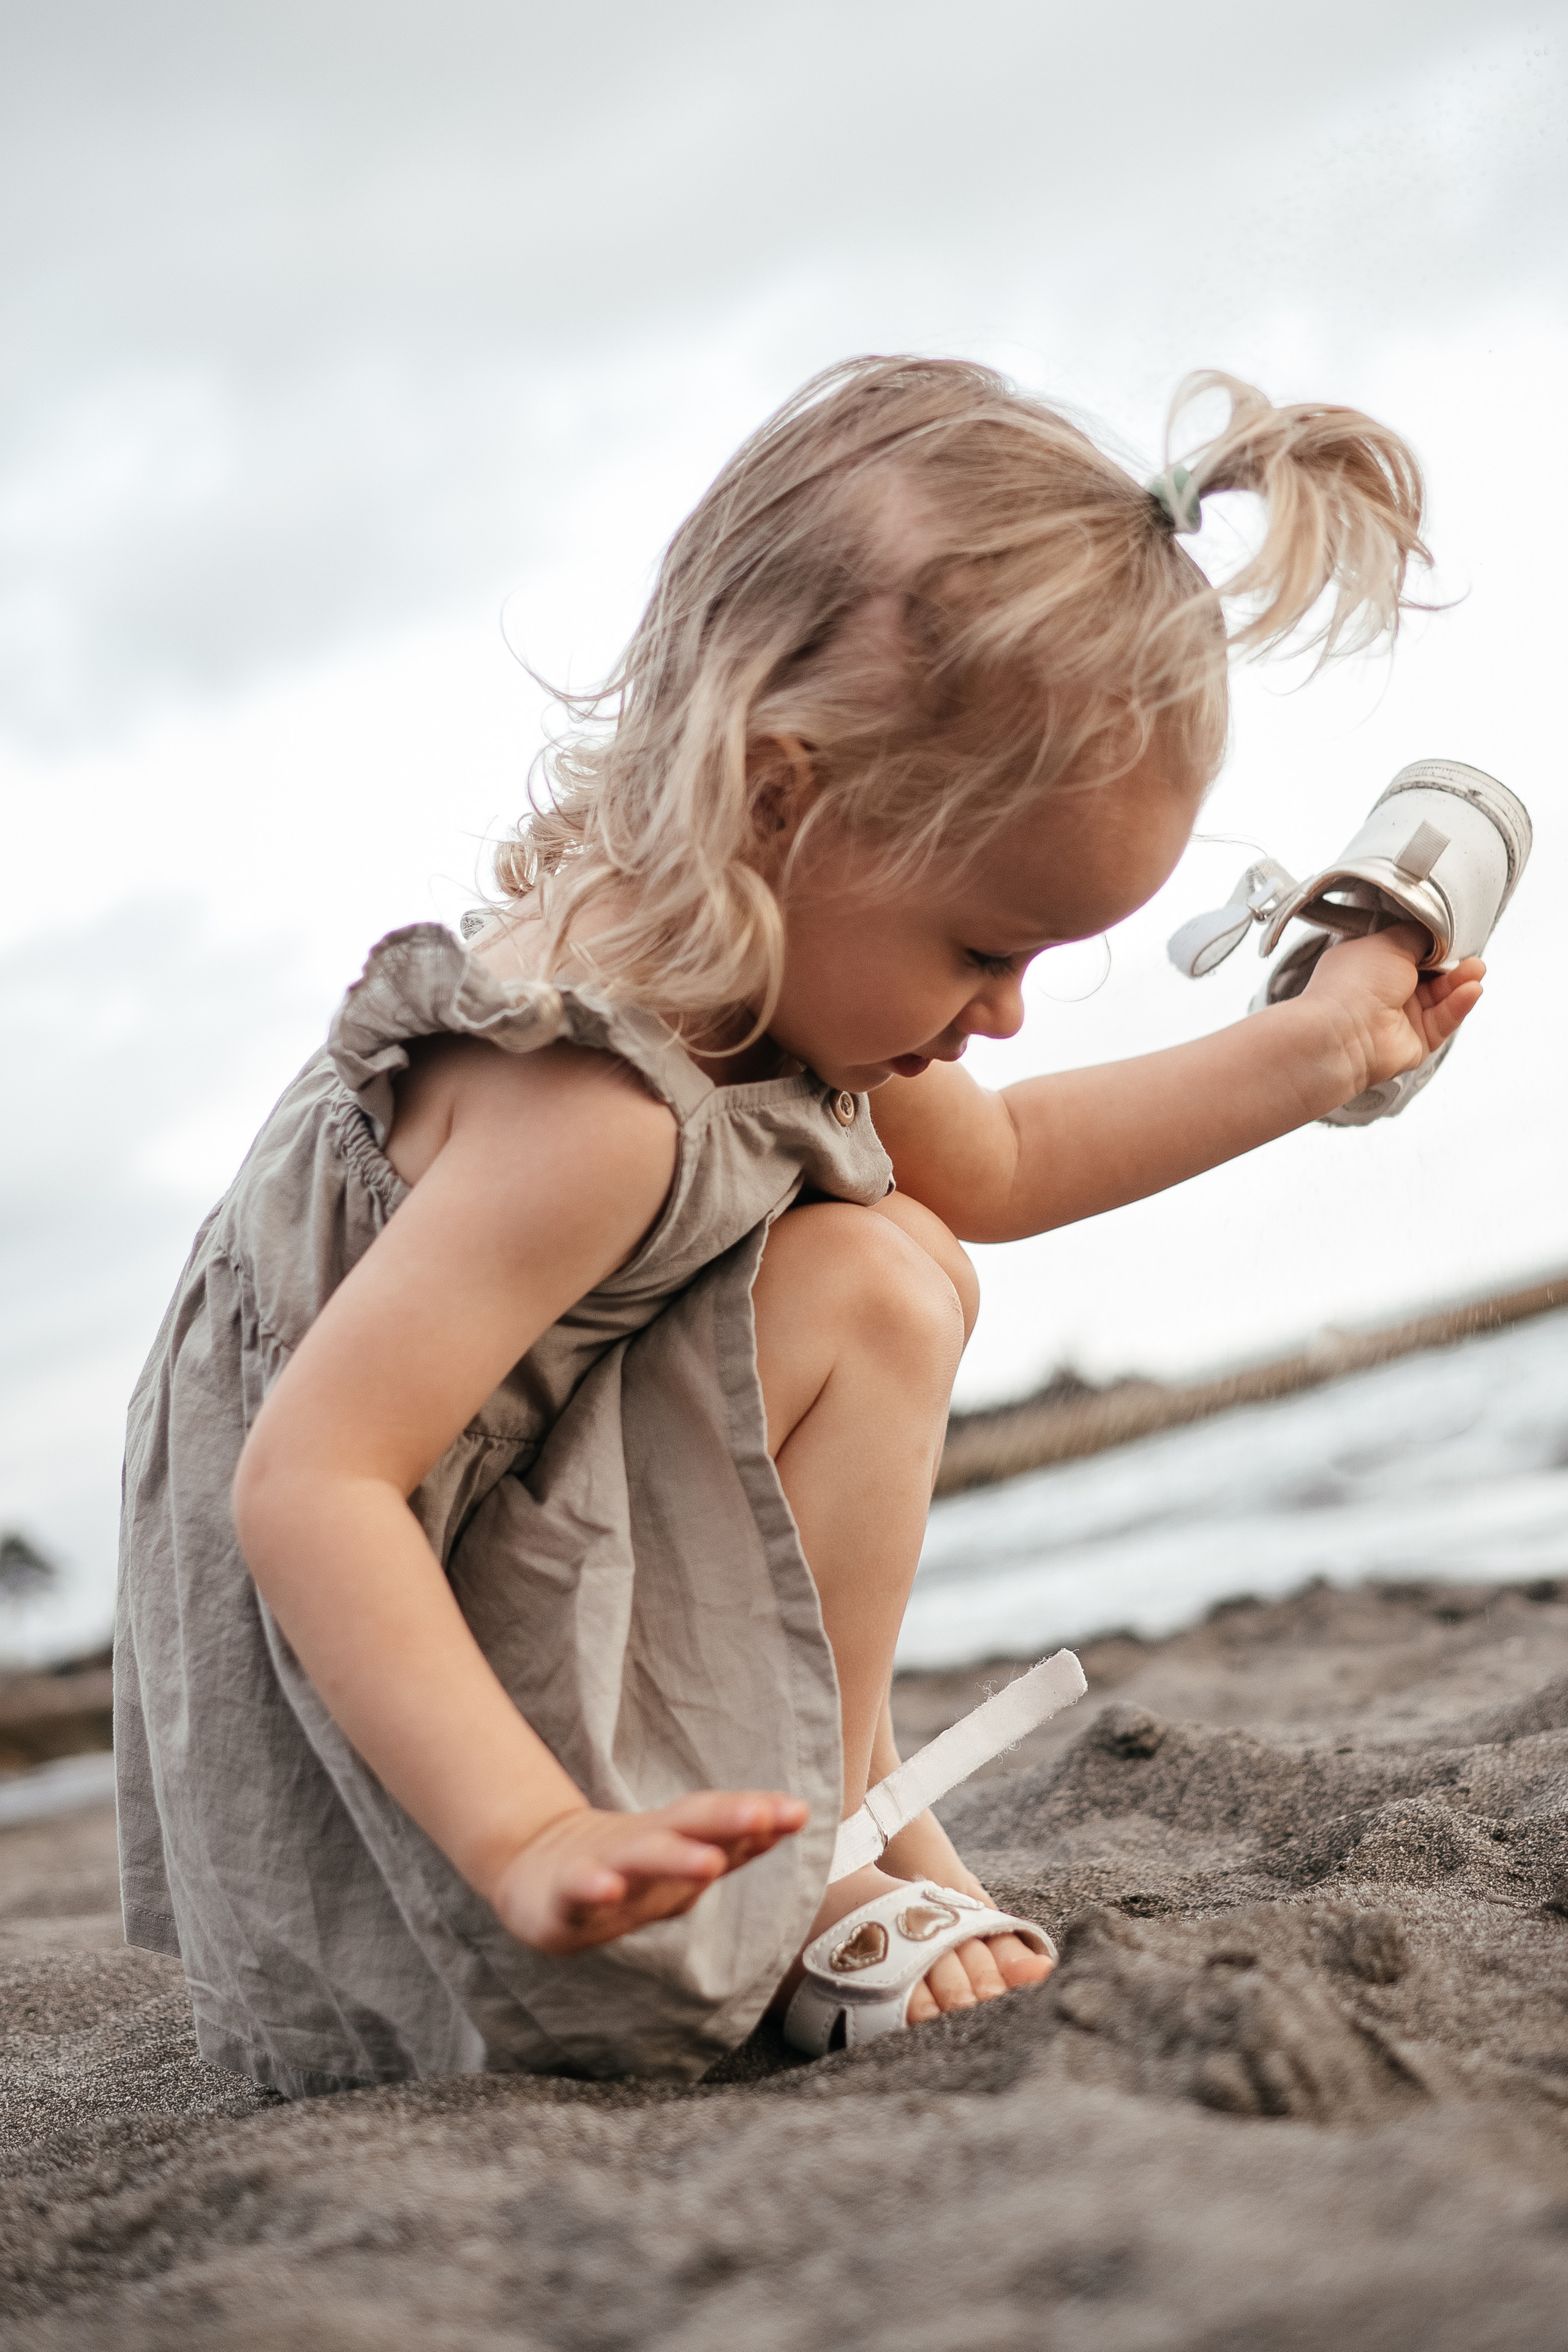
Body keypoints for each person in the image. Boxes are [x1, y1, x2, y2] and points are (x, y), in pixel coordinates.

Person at [115, 358, 1482, 2095]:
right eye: (984, 948)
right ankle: (817, 1848)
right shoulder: (591, 1110)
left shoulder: (768, 958)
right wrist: (529, 1832)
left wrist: (1323, 1048)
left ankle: (849, 1809)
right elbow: (312, 1486)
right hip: (413, 1719)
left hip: (492, 1582)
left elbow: (1003, 1162)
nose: (1004, 1013)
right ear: (781, 799)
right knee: (875, 1292)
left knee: (914, 1252)